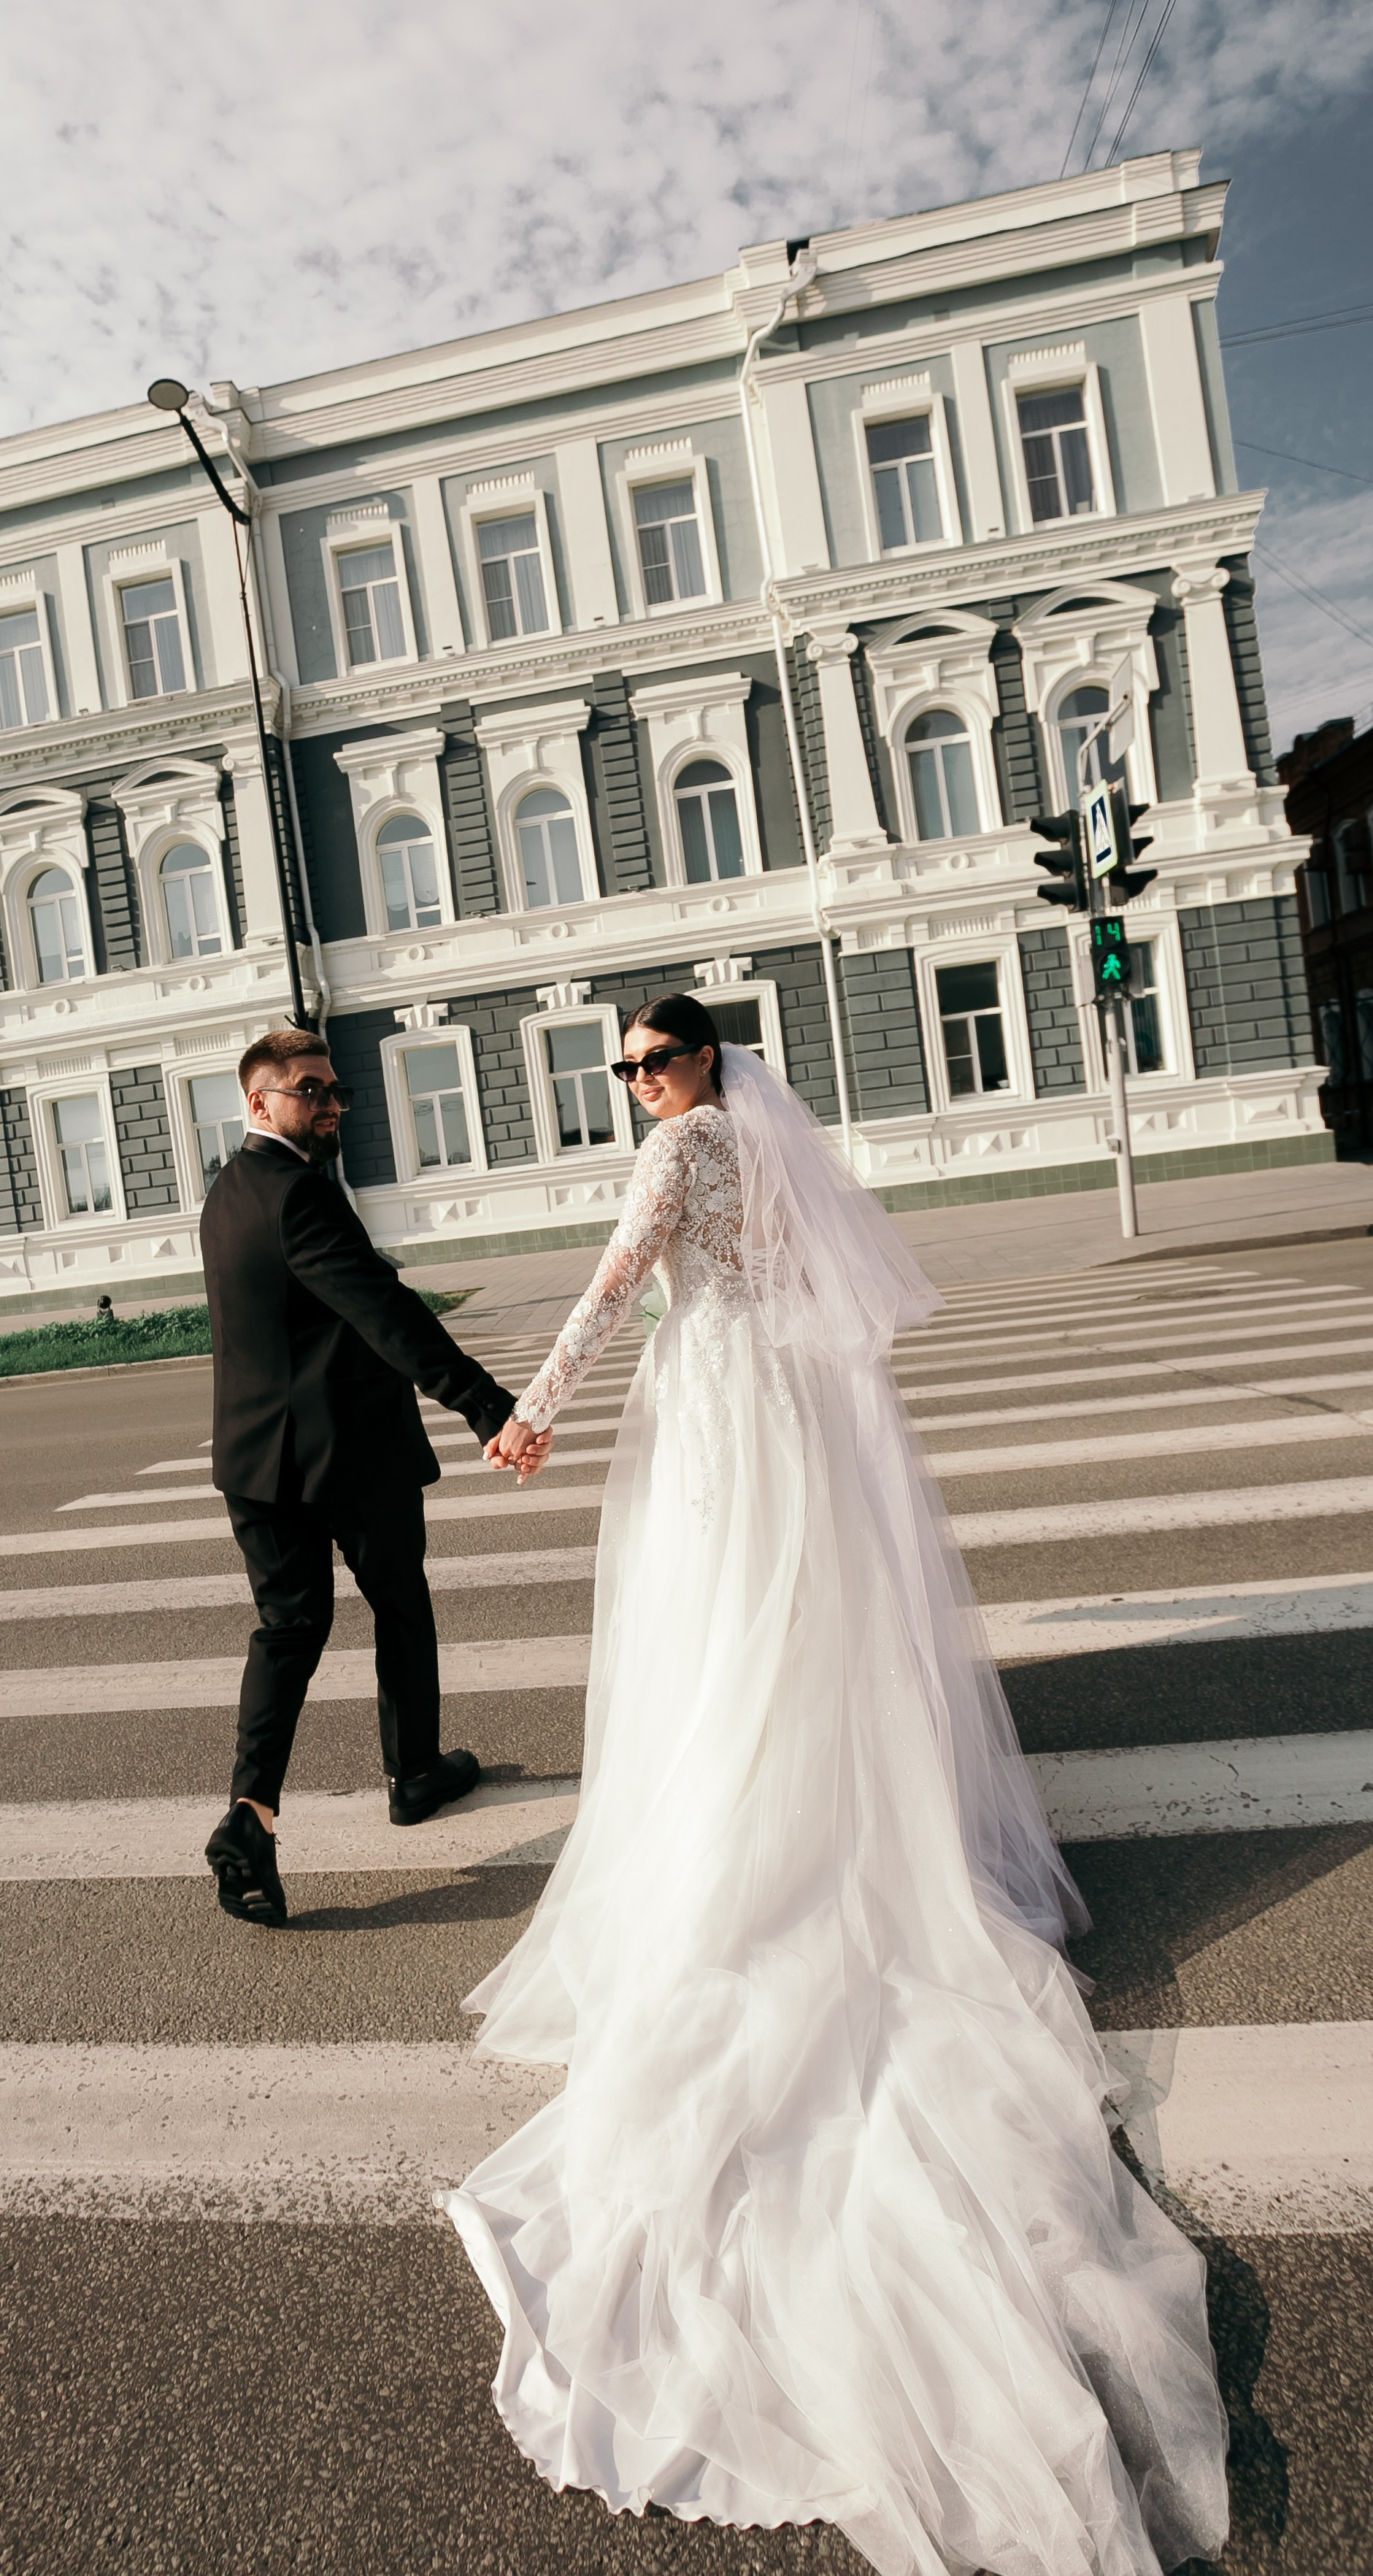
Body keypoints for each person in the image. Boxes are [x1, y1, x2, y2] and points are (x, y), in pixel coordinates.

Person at [448, 996, 1228, 2576]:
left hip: (716, 1408)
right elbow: (815, 1285)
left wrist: (531, 1408)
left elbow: (615, 1284)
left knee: (713, 1641)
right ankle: (811, 1809)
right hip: (784, 1406)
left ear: (707, 1065)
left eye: (655, 1063)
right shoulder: (773, 1148)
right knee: (790, 1633)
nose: (639, 1090)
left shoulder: (684, 1149)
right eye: (624, 1073)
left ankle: (741, 1849)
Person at [199, 1025, 545, 1928]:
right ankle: (414, 1771)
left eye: (334, 1092)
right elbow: (385, 1314)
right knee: (398, 1601)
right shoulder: (298, 1197)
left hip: (253, 1459)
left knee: (288, 1628)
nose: (330, 1106)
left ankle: (251, 1814)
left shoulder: (228, 1190)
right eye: (310, 1091)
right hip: (346, 1456)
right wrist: (486, 1405)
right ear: (259, 1100)